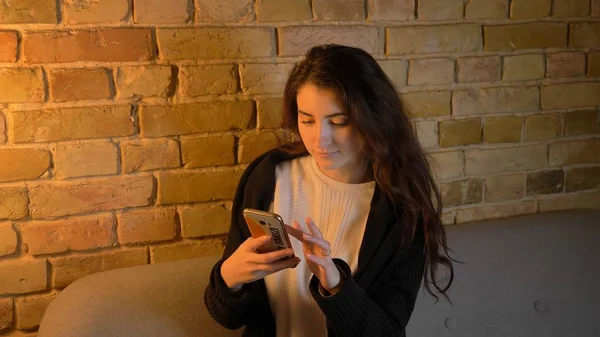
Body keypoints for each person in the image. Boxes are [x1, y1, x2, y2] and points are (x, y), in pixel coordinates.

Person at [204, 44, 455, 337]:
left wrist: (334, 284)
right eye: (307, 120)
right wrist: (229, 278)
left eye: (339, 122)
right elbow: (229, 316)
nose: (319, 139)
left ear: (372, 119)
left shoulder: (401, 208)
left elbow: (387, 332)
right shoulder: (268, 176)